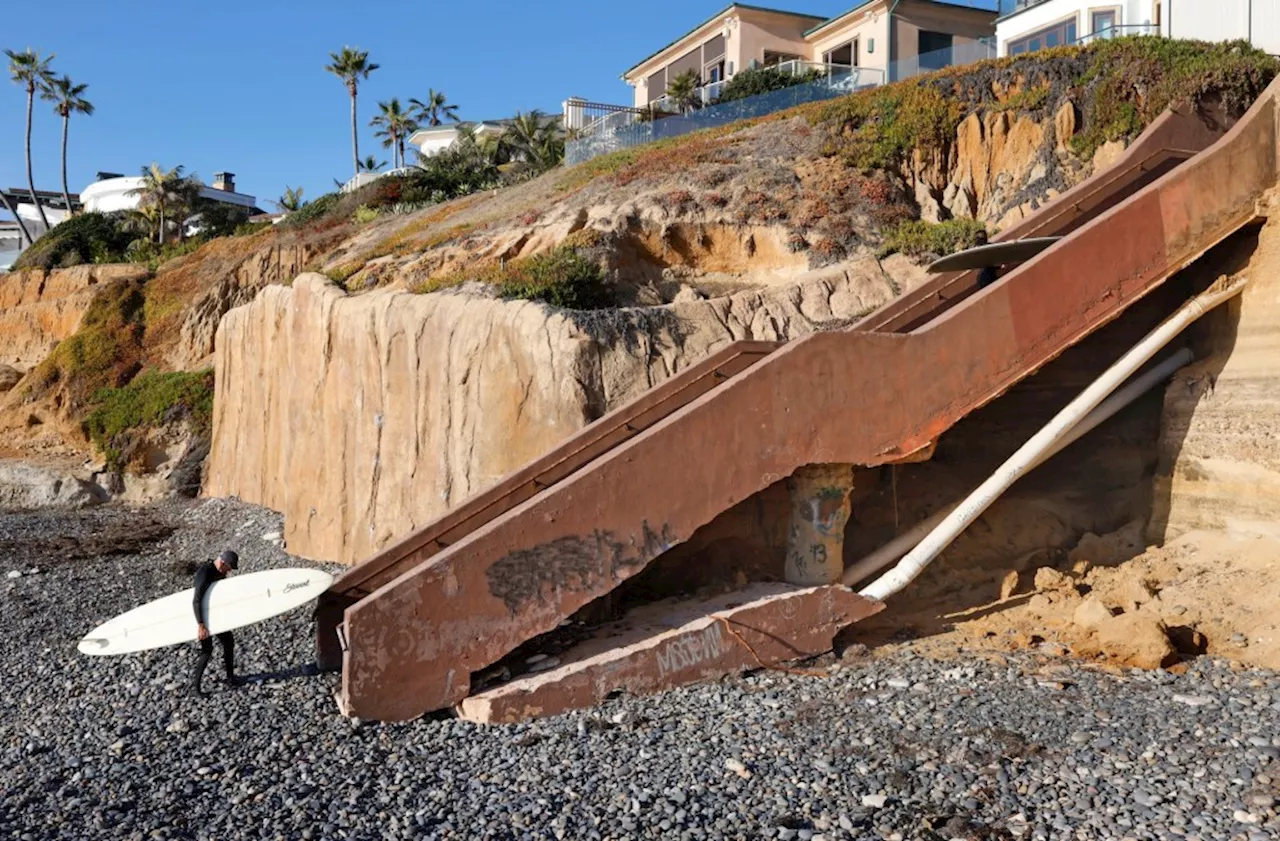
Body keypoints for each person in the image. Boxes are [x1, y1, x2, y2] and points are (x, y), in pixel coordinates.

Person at [190, 549, 244, 696]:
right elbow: (196, 600)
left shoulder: (220, 573)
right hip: (202, 618)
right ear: (222, 563)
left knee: (229, 642)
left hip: (216, 617)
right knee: (207, 651)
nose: (229, 571)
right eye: (229, 568)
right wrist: (201, 625)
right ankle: (195, 689)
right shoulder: (205, 572)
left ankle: (230, 678)